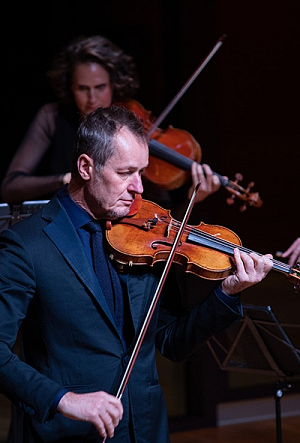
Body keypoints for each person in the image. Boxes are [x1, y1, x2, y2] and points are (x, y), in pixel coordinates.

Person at [0, 106, 273, 442]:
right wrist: (63, 400)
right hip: (68, 433)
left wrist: (227, 293)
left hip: (146, 430)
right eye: (126, 172)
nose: (138, 188)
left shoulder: (144, 240)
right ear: (86, 167)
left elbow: (172, 341)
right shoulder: (26, 245)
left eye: (141, 172)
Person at [0, 34, 220, 218]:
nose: (92, 98)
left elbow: (160, 218)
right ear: (70, 87)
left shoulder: (130, 122)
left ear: (114, 84)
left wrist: (193, 199)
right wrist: (65, 179)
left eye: (100, 87)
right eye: (83, 88)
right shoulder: (52, 116)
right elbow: (10, 188)